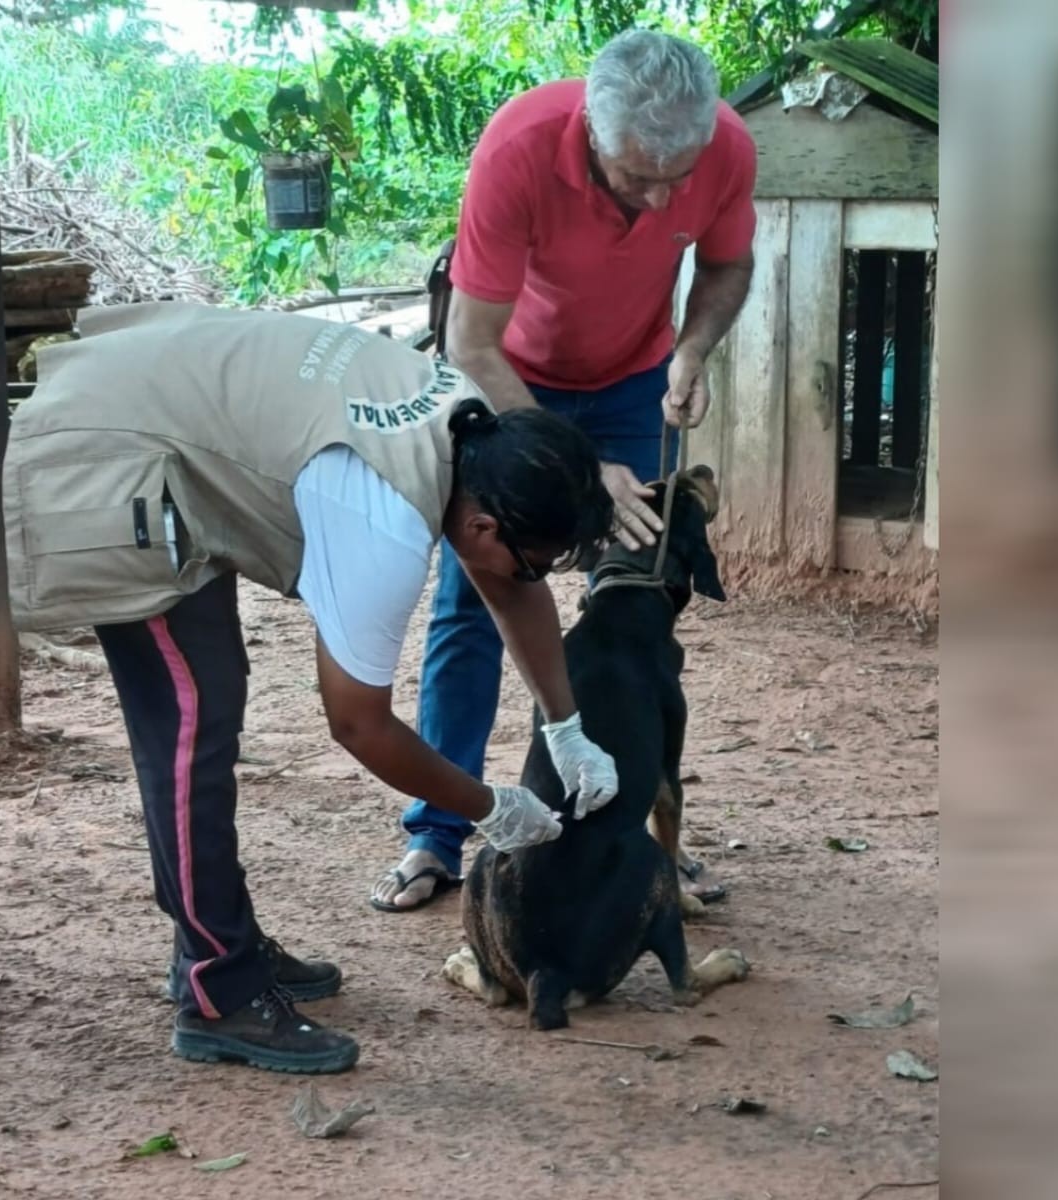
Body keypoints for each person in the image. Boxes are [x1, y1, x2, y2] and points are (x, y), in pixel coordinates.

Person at [3, 300, 620, 1075]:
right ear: (487, 528)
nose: (535, 579)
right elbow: (358, 723)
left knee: (207, 708)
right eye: (536, 559)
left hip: (178, 408)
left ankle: (215, 942)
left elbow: (509, 584)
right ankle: (217, 991)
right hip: (111, 443)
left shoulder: (478, 435)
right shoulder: (385, 522)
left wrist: (566, 726)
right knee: (192, 726)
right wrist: (491, 809)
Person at [372, 28, 758, 913]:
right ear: (589, 128)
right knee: (477, 598)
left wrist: (692, 349)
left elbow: (727, 261)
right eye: (636, 178)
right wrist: (582, 474)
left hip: (631, 379)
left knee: (631, 607)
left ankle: (636, 834)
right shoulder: (518, 150)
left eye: (677, 177)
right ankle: (439, 835)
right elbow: (470, 341)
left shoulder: (725, 147)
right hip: (513, 379)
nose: (662, 196)